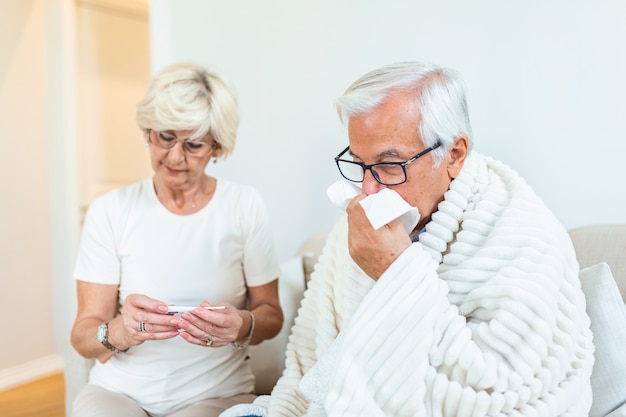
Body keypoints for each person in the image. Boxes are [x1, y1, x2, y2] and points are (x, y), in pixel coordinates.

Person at [220, 62, 594, 417]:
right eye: (359, 164)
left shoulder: (524, 235)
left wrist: (397, 273)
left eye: (388, 164)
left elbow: (492, 391)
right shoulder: (364, 220)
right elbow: (310, 361)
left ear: (455, 154)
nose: (368, 188)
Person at [70, 61, 284, 417]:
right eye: (164, 137)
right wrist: (120, 331)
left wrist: (241, 325)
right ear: (147, 131)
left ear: (217, 146)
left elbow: (272, 316)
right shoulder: (110, 210)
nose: (174, 156)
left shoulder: (244, 206)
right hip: (119, 393)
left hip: (217, 395)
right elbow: (83, 336)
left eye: (194, 144)